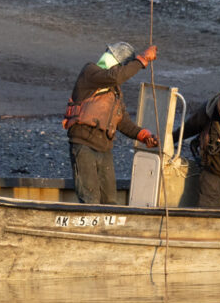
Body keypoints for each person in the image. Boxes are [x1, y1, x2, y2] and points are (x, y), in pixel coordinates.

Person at [64, 41, 159, 204]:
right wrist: (142, 59)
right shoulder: (90, 72)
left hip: (104, 149)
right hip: (83, 145)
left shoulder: (114, 91)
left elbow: (122, 121)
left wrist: (143, 135)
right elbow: (115, 76)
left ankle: (106, 229)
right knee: (90, 199)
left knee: (110, 201)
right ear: (118, 65)